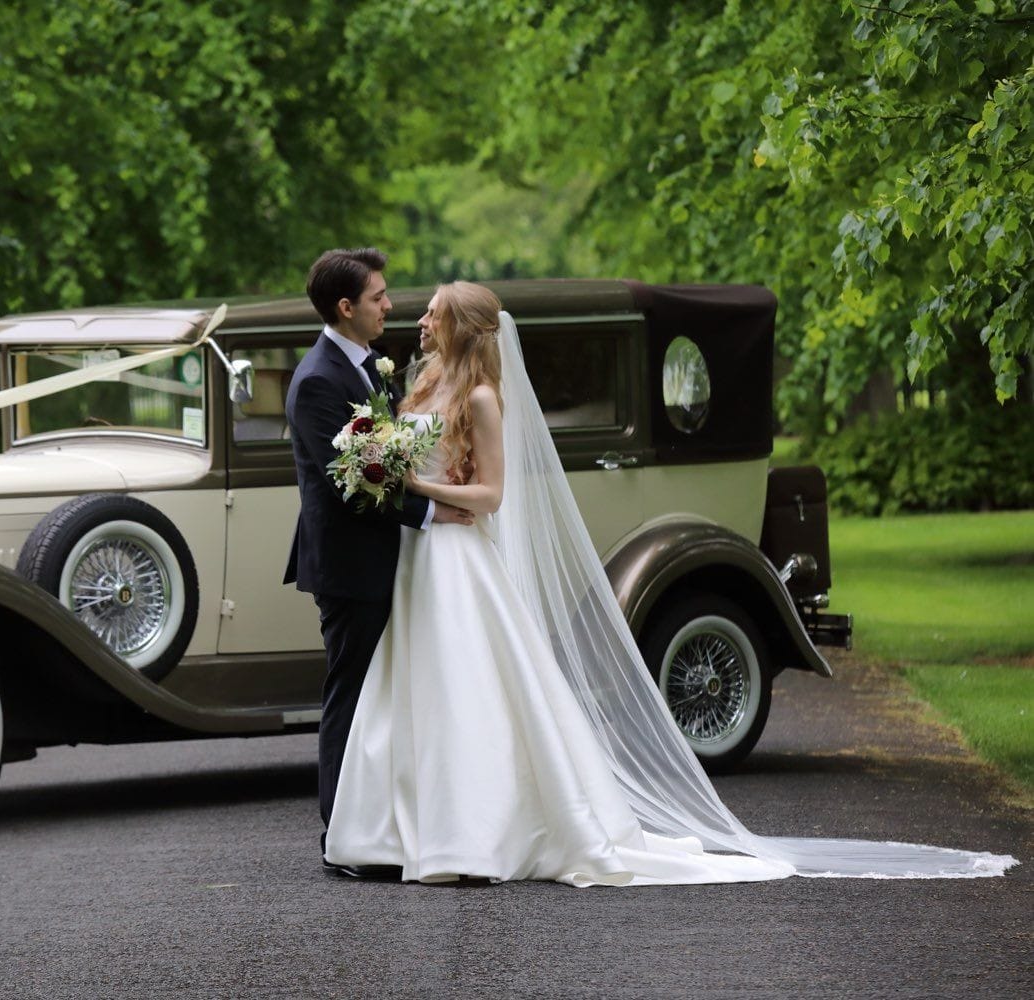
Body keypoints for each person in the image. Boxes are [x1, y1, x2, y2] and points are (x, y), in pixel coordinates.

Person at [323, 280, 1018, 885]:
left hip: (459, 558)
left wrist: (416, 483)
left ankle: (473, 834)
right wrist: (384, 467)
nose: (419, 320)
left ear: (461, 326)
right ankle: (398, 831)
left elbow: (495, 495)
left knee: (469, 691)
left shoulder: (481, 396)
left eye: (433, 313)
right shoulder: (420, 382)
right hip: (420, 563)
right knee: (413, 689)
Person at [283, 248, 474, 876]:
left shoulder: (372, 370)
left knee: (384, 695)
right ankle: (339, 832)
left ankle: (381, 824)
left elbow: (387, 459)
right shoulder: (318, 381)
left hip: (388, 558)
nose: (389, 306)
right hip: (349, 565)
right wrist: (429, 515)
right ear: (347, 307)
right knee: (351, 693)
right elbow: (352, 487)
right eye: (379, 297)